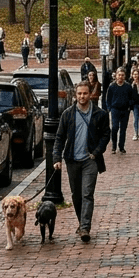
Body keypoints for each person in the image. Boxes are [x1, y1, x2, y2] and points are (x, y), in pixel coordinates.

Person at [52, 80, 110, 243]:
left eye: (85, 93)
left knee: (87, 194)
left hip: (90, 160)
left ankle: (85, 227)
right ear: (75, 95)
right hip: (72, 159)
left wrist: (97, 152)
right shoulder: (68, 114)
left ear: (90, 94)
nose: (82, 96)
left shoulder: (100, 114)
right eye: (79, 93)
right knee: (76, 195)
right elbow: (59, 137)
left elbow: (106, 135)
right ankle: (81, 222)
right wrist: (57, 158)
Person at [105, 67, 133, 154]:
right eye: (119, 75)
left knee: (123, 129)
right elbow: (108, 98)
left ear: (125, 76)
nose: (120, 77)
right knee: (115, 127)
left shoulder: (128, 86)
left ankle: (121, 146)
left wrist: (129, 106)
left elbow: (131, 97)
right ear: (116, 76)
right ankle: (113, 146)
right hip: (115, 109)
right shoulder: (112, 86)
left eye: (122, 75)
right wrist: (109, 107)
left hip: (125, 110)